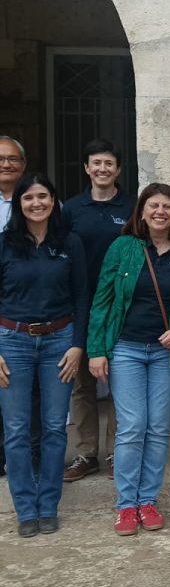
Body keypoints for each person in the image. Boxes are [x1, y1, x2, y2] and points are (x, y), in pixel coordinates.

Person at [86, 184, 170, 535]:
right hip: (126, 349)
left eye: (168, 206)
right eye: (154, 205)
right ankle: (126, 506)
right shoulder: (124, 247)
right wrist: (95, 349)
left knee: (158, 427)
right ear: (142, 211)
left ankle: (148, 501)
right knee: (133, 426)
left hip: (166, 353)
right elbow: (102, 300)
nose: (161, 212)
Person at [0, 173, 88, 537]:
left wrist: (78, 345)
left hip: (59, 341)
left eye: (43, 197)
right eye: (28, 198)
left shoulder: (70, 242)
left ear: (54, 201)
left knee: (54, 428)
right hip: (12, 341)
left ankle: (48, 505)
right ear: (19, 204)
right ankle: (26, 508)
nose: (37, 204)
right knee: (17, 429)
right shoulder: (4, 244)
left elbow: (83, 297)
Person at [62, 139, 135, 483]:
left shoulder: (132, 207)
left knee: (120, 380)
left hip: (121, 307)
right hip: (82, 303)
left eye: (109, 163)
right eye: (96, 163)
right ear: (87, 169)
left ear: (118, 170)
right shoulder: (71, 210)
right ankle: (85, 452)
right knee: (82, 384)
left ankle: (113, 452)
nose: (103, 169)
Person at [0, 135, 30, 477]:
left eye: (12, 159)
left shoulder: (38, 202)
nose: (6, 165)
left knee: (25, 405)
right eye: (1, 159)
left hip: (31, 318)